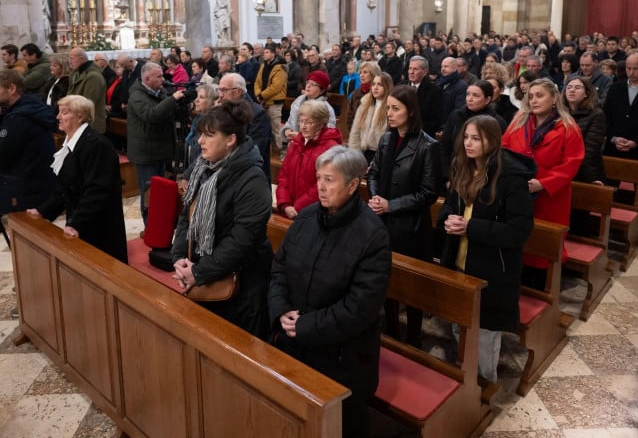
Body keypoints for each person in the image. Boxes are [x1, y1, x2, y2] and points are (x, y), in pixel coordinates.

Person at [269, 146, 391, 438]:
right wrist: (281, 310)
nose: (320, 187)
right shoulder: (307, 217)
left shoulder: (372, 235)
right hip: (293, 343)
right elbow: (279, 268)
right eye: (319, 178)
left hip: (342, 358)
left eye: (329, 180)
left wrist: (305, 325)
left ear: (352, 185)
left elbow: (360, 307)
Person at [438, 115, 534, 381]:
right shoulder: (464, 167)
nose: (468, 143)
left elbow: (519, 231)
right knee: (459, 327)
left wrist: (470, 227)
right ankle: (463, 384)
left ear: (492, 140)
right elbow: (450, 204)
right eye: (466, 137)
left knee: (483, 337)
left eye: (475, 138)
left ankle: (482, 388)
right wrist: (447, 218)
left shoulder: (510, 177)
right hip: (459, 262)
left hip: (492, 271)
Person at [171, 101, 273, 337]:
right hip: (203, 271)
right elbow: (187, 216)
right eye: (200, 135)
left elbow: (241, 240)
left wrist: (198, 272)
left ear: (230, 140)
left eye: (209, 135)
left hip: (242, 284)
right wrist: (179, 258)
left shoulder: (252, 179)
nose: (200, 142)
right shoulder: (203, 168)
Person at [366, 85, 440, 346]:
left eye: (396, 109)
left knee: (412, 287)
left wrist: (391, 205)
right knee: (386, 277)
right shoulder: (387, 139)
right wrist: (376, 197)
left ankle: (414, 336)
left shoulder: (427, 146)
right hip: (383, 221)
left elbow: (428, 193)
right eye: (388, 108)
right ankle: (392, 330)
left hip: (412, 228)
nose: (390, 113)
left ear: (411, 112)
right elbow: (373, 172)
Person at [502, 79, 584, 281]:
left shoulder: (568, 128)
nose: (534, 100)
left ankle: (542, 284)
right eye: (530, 96)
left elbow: (572, 164)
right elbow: (503, 151)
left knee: (542, 245)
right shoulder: (518, 122)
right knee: (517, 239)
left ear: (554, 98)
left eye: (539, 96)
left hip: (549, 196)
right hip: (518, 191)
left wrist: (544, 183)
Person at [29, 95, 128, 263]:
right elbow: (64, 187)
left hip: (99, 225)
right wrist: (42, 211)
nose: (58, 117)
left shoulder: (96, 145)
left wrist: (76, 224)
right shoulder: (72, 143)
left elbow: (96, 190)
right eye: (59, 112)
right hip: (83, 220)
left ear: (80, 116)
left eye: (64, 112)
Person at [127, 62, 185, 225]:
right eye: (159, 76)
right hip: (146, 153)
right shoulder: (137, 96)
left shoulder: (158, 91)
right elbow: (151, 115)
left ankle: (161, 224)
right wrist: (173, 99)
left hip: (158, 149)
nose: (163, 79)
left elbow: (167, 111)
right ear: (147, 79)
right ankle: (150, 227)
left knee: (160, 190)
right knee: (149, 192)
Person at [0, 69, 56, 213]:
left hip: (27, 187)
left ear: (12, 89)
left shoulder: (20, 118)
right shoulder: (28, 107)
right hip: (33, 183)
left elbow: (3, 153)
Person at [276, 99, 342, 219]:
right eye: (301, 121)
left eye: (308, 122)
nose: (303, 126)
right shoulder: (296, 143)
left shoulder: (331, 148)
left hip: (313, 213)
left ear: (322, 123)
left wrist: (298, 207)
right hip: (289, 209)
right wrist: (285, 203)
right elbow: (283, 175)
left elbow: (324, 185)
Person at [440, 80, 507, 185]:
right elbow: (445, 146)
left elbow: (499, 153)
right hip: (456, 172)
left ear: (487, 99)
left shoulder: (497, 122)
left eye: (475, 95)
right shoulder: (456, 115)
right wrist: (447, 177)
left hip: (484, 177)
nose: (469, 99)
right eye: (468, 94)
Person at [216, 73, 271, 183]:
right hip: (226, 172)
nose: (220, 95)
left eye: (224, 90)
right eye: (219, 90)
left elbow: (254, 149)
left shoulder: (257, 114)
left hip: (248, 178)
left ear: (238, 91)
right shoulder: (224, 109)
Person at [563, 77, 606, 183]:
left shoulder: (596, 114)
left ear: (586, 93)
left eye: (577, 88)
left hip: (585, 171)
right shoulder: (558, 113)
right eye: (569, 87)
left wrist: (590, 178)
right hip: (561, 169)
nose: (572, 90)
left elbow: (590, 151)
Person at [281, 70, 336, 146]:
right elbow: (290, 121)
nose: (308, 86)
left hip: (312, 150)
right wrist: (287, 130)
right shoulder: (298, 101)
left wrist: (301, 137)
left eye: (313, 84)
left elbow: (327, 135)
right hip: (294, 146)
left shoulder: (326, 109)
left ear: (322, 90)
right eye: (307, 82)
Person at [603, 52, 638, 160]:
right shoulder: (615, 88)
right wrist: (613, 138)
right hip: (614, 148)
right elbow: (606, 116)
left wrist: (637, 142)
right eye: (629, 68)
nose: (631, 72)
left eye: (636, 69)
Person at [349, 72, 393, 163]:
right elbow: (355, 132)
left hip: (381, 155)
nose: (375, 88)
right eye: (373, 84)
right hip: (363, 152)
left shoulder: (390, 108)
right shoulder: (365, 105)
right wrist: (355, 156)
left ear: (387, 87)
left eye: (380, 84)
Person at [254, 44, 287, 154]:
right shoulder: (263, 66)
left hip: (274, 102)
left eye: (267, 52)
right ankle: (267, 150)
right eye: (264, 53)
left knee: (275, 128)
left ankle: (278, 150)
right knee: (264, 127)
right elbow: (257, 82)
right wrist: (258, 94)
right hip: (263, 101)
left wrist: (262, 95)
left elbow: (276, 86)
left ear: (273, 54)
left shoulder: (280, 67)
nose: (264, 54)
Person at [67, 47, 107, 133]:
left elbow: (88, 104)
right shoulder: (77, 73)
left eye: (72, 58)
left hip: (90, 124)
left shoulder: (94, 77)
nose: (69, 61)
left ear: (81, 59)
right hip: (78, 121)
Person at [183, 83, 219, 171]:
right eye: (197, 97)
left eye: (201, 97)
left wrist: (188, 174)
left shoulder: (210, 123)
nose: (196, 100)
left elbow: (201, 156)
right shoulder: (198, 119)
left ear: (212, 101)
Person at [406, 55, 443, 138]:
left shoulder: (434, 91)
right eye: (410, 68)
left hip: (421, 136)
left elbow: (435, 120)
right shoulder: (401, 86)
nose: (411, 72)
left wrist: (414, 132)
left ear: (424, 72)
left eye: (415, 69)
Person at [346, 61, 381, 130]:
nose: (361, 75)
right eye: (360, 73)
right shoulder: (356, 93)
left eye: (365, 72)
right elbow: (350, 115)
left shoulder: (378, 93)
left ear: (373, 74)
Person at [42, 53, 69, 118]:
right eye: (51, 65)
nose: (51, 67)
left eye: (54, 66)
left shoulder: (67, 82)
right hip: (47, 113)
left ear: (63, 67)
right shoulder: (51, 80)